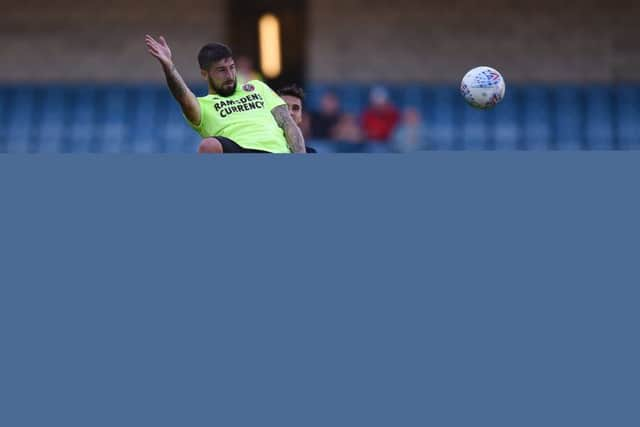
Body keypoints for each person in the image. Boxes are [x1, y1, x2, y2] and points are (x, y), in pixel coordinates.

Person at [145, 35, 306, 154]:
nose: (230, 75)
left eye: (232, 67)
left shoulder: (258, 87)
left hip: (277, 152)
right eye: (222, 70)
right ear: (205, 74)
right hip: (239, 152)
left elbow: (287, 123)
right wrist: (169, 67)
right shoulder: (202, 106)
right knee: (209, 146)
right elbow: (181, 94)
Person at [277, 84, 317, 153]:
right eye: (285, 107)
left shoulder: (311, 153)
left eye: (295, 108)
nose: (290, 112)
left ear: (301, 117)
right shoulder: (262, 148)